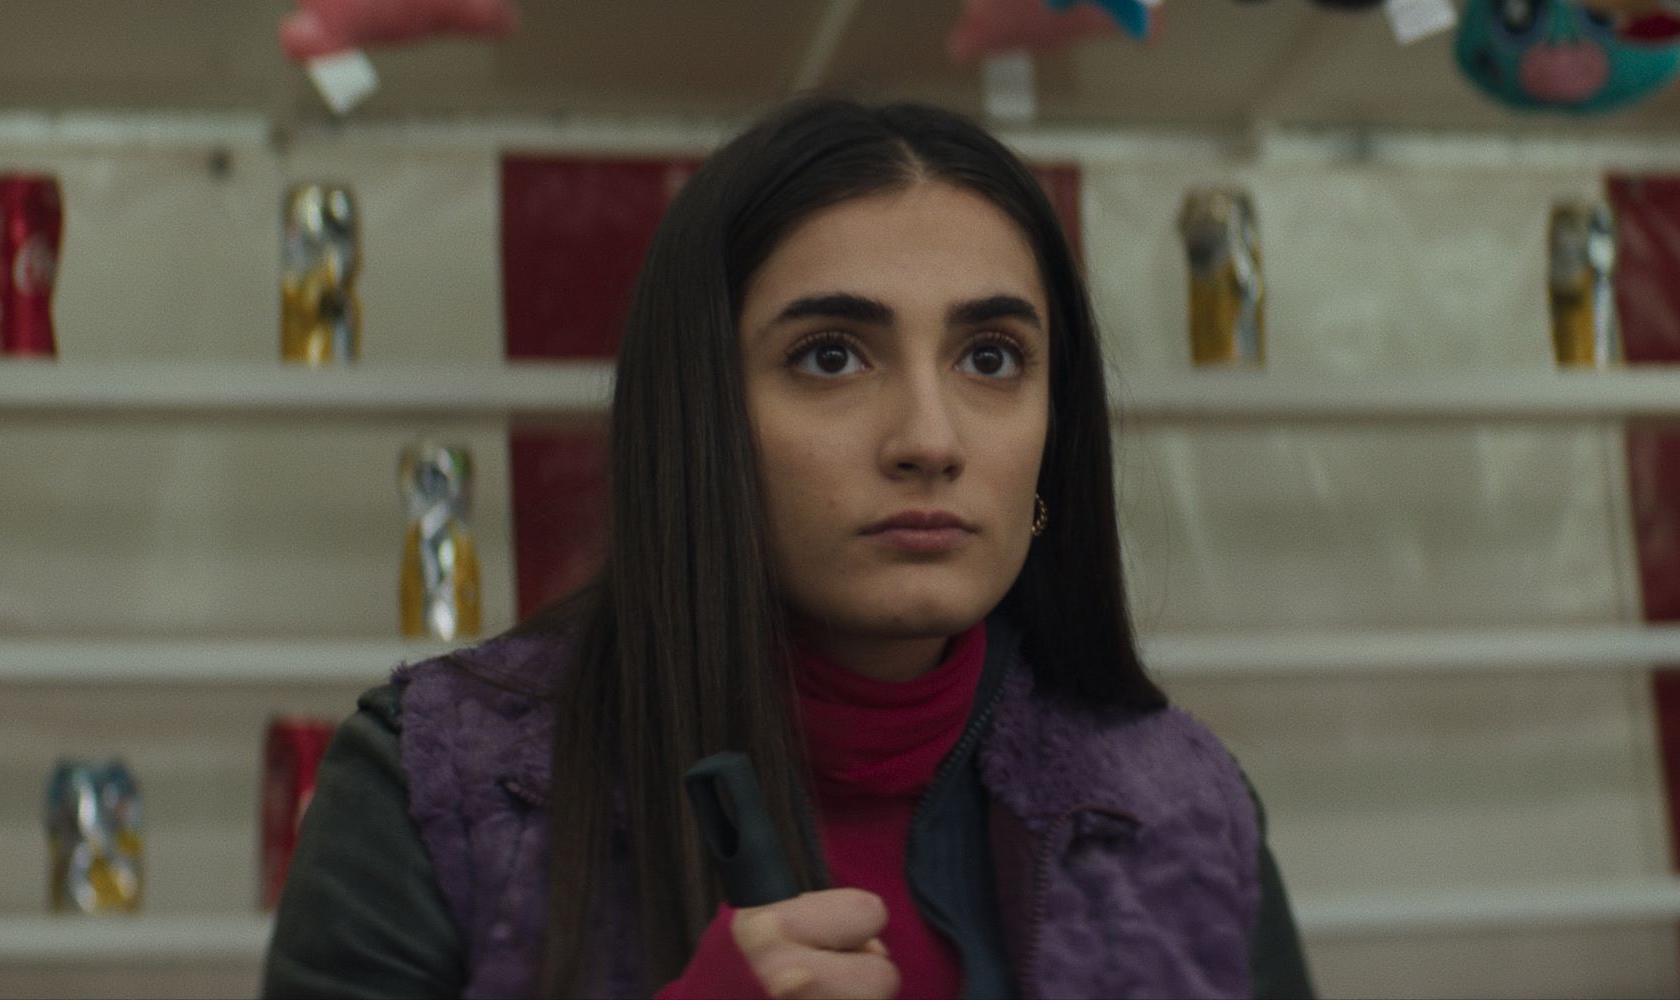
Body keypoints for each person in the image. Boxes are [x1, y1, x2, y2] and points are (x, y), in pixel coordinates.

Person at [260, 97, 1313, 1000]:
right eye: (831, 357)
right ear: (701, 413)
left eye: (992, 358)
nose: (930, 440)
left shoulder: (1183, 806)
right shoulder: (434, 787)